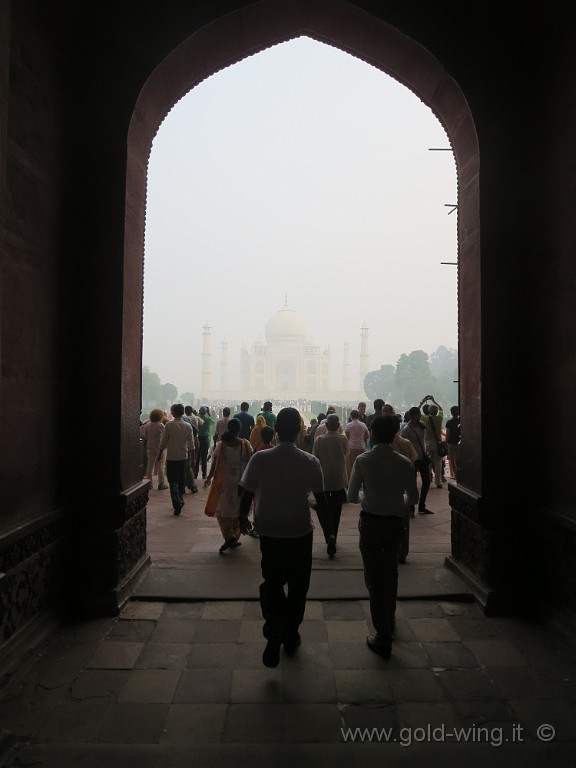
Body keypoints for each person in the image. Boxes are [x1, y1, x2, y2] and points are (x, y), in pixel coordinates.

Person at [238, 407, 326, 668]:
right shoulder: (310, 461)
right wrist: (330, 529)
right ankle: (289, 631)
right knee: (299, 587)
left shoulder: (261, 459)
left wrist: (243, 519)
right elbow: (321, 500)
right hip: (299, 530)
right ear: (300, 430)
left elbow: (246, 493)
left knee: (272, 582)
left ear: (276, 431)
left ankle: (275, 627)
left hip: (270, 530)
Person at [347, 415, 419, 659]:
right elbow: (414, 498)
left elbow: (351, 496)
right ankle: (389, 618)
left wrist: (369, 498)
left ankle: (382, 635)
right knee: (391, 572)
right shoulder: (404, 463)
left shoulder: (363, 460)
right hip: (395, 523)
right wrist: (397, 503)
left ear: (373, 434)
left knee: (374, 578)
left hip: (371, 522)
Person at [204, 418, 253, 553]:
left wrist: (209, 477)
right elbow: (250, 463)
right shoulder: (245, 444)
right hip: (240, 482)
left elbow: (215, 463)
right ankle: (234, 537)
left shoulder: (221, 444)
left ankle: (228, 537)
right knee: (239, 510)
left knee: (223, 510)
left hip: (224, 482)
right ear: (239, 429)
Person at [312, 413, 349, 557]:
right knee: (336, 510)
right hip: (338, 480)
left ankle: (329, 535)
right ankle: (335, 535)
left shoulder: (320, 440)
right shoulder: (343, 439)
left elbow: (315, 458)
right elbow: (347, 453)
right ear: (339, 425)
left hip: (324, 480)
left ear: (326, 426)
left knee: (323, 509)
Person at [158, 403, 194, 515]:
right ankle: (180, 499)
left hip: (172, 457)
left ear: (172, 413)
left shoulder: (169, 425)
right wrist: (192, 458)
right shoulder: (188, 426)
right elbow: (191, 445)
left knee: (172, 481)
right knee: (181, 480)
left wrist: (160, 452)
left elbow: (164, 441)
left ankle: (177, 502)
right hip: (183, 456)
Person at [401, 406, 433, 515]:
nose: (420, 416)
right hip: (412, 458)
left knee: (427, 481)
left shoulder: (421, 425)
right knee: (412, 483)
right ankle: (411, 507)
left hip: (422, 456)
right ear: (413, 416)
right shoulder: (406, 429)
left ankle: (421, 505)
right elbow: (403, 444)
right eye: (418, 415)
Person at [140, 408, 168, 490]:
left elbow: (144, 435)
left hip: (150, 447)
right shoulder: (160, 425)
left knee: (150, 466)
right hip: (160, 448)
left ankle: (149, 483)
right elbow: (165, 436)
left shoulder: (148, 425)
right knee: (161, 466)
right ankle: (161, 483)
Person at [420, 395, 444, 488]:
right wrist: (434, 401)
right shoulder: (439, 418)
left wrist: (422, 402)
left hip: (428, 443)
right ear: (436, 411)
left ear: (429, 411)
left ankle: (428, 479)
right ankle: (438, 482)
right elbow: (441, 409)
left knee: (428, 463)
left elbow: (416, 411)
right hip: (437, 443)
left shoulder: (425, 419)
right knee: (438, 463)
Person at [345, 409, 369, 477]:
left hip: (351, 447)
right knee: (361, 465)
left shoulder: (349, 425)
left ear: (351, 416)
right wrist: (363, 440)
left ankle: (352, 478)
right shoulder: (363, 425)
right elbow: (367, 435)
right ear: (358, 416)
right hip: (361, 446)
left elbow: (347, 437)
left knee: (352, 465)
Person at [195, 405, 214, 480]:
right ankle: (204, 474)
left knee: (197, 457)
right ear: (205, 412)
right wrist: (209, 413)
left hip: (198, 438)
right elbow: (213, 420)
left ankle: (195, 474)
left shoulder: (197, 419)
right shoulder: (208, 419)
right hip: (205, 439)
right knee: (204, 458)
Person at [445, 405, 460, 481]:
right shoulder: (461, 421)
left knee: (452, 459)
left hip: (451, 443)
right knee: (458, 458)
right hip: (459, 443)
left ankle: (456, 475)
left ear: (451, 413)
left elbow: (447, 434)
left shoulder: (449, 422)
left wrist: (446, 442)